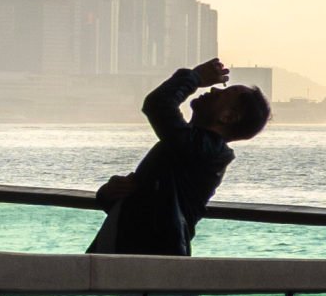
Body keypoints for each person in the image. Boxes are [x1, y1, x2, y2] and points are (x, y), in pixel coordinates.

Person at [94, 59, 266, 256]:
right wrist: (109, 194)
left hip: (145, 264)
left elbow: (159, 104)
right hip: (135, 258)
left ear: (227, 117)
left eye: (223, 94)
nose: (213, 90)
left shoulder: (204, 150)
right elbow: (148, 208)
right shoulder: (194, 147)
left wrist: (195, 77)